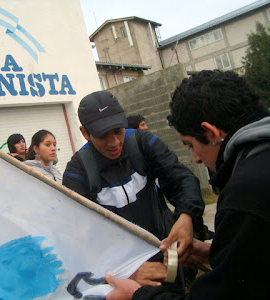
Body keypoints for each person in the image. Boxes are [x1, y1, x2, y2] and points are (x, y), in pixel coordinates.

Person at [105, 70, 270, 299]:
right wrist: (218, 254)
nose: (196, 159)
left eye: (190, 145)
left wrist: (138, 296)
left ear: (211, 133)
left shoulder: (246, 195)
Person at [63, 90, 205, 287]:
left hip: (164, 254)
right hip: (122, 272)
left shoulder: (143, 142)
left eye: (118, 130)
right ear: (84, 133)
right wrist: (123, 273)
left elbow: (181, 178)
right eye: (103, 135)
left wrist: (187, 216)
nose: (114, 142)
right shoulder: (77, 172)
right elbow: (78, 237)